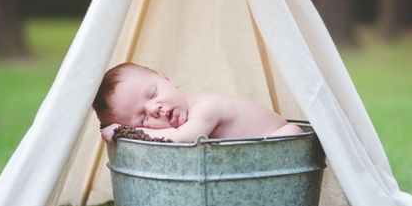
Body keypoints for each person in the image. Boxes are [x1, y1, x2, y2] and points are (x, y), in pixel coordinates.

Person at [93, 62, 305, 144]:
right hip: (246, 164)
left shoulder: (206, 109)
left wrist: (124, 132)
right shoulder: (184, 113)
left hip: (280, 140)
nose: (154, 109)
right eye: (142, 118)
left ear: (168, 79)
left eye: (152, 94)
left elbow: (182, 138)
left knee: (292, 133)